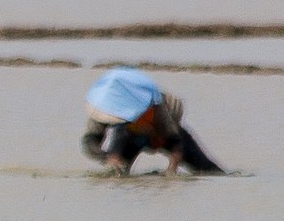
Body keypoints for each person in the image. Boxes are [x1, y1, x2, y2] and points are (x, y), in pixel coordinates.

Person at [82, 66, 222, 175]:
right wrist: (108, 157)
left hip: (163, 132)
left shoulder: (156, 105)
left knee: (209, 171)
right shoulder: (103, 106)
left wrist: (171, 171)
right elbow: (89, 141)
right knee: (116, 174)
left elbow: (175, 142)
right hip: (128, 137)